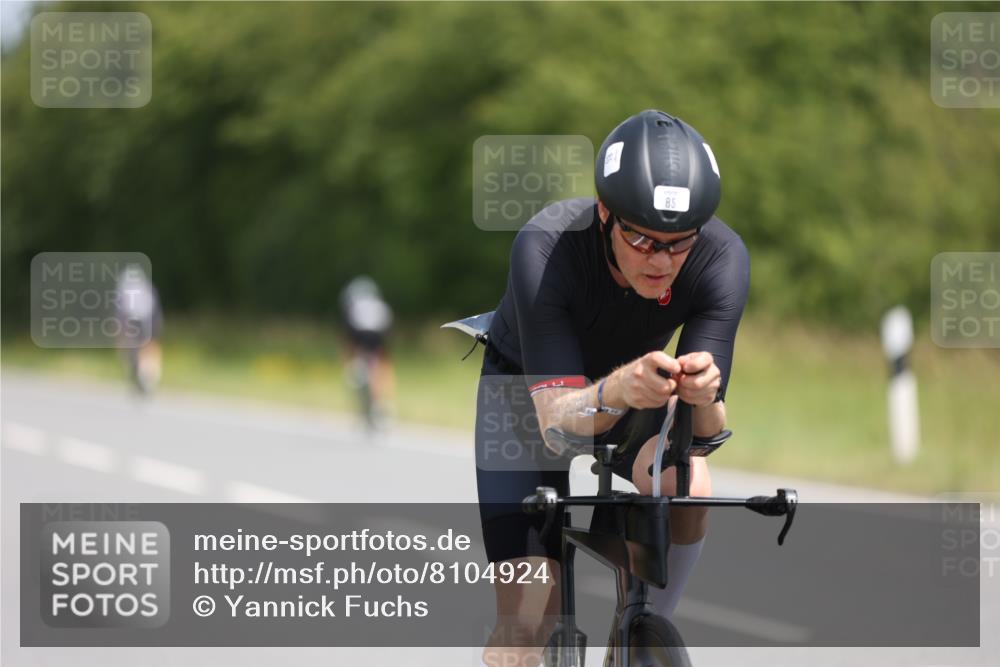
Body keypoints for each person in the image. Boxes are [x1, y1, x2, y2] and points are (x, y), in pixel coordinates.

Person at [475, 110, 749, 666]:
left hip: (636, 388)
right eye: (642, 239)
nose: (662, 259)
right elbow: (555, 422)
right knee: (529, 622)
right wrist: (620, 387)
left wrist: (706, 398)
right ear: (605, 213)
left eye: (679, 243)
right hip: (529, 396)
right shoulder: (546, 246)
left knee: (688, 481)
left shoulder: (722, 259)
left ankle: (642, 631)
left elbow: (707, 433)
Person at [340, 276, 396, 426]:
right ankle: (382, 403)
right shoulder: (381, 306)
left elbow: (350, 341)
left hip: (361, 336)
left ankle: (370, 407)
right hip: (378, 336)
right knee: (380, 366)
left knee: (360, 369)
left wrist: (347, 361)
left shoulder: (353, 307)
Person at [115, 263, 163, 394]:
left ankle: (141, 375)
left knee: (131, 350)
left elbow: (121, 313)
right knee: (148, 349)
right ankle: (148, 376)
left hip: (135, 321)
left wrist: (120, 332)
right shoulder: (148, 288)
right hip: (149, 320)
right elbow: (156, 310)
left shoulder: (124, 289)